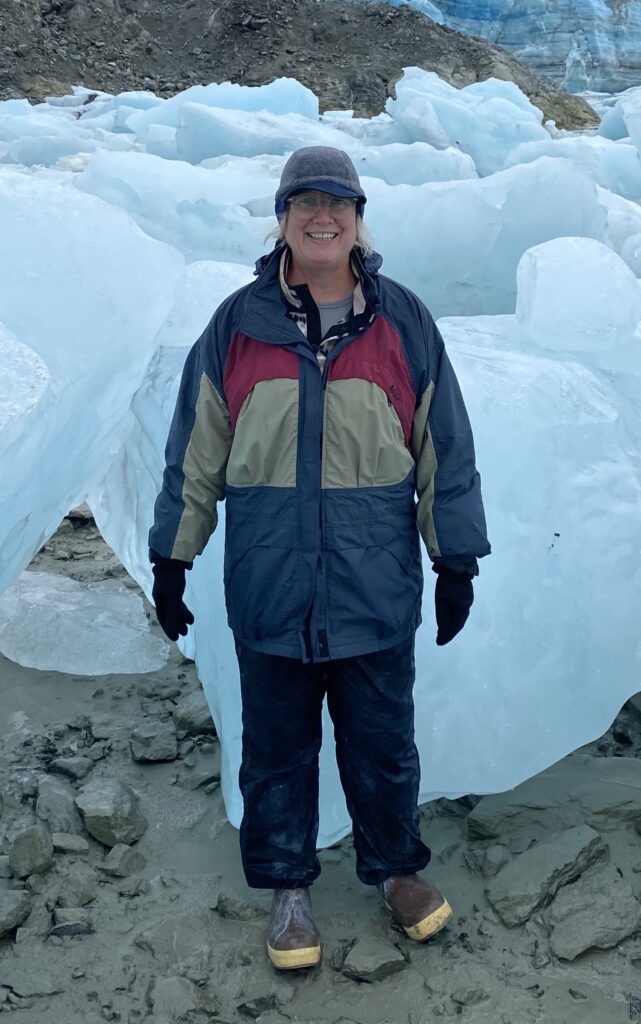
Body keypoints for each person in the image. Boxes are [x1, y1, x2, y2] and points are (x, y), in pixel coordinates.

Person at [148, 146, 490, 971]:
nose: (320, 216)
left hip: (374, 583)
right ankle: (288, 889)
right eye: (304, 201)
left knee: (380, 741)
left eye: (336, 201)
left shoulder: (403, 321)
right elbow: (195, 450)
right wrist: (172, 557)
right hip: (269, 581)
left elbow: (443, 446)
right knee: (277, 746)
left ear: (358, 217)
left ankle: (395, 870)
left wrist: (456, 561)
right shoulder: (237, 323)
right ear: (284, 217)